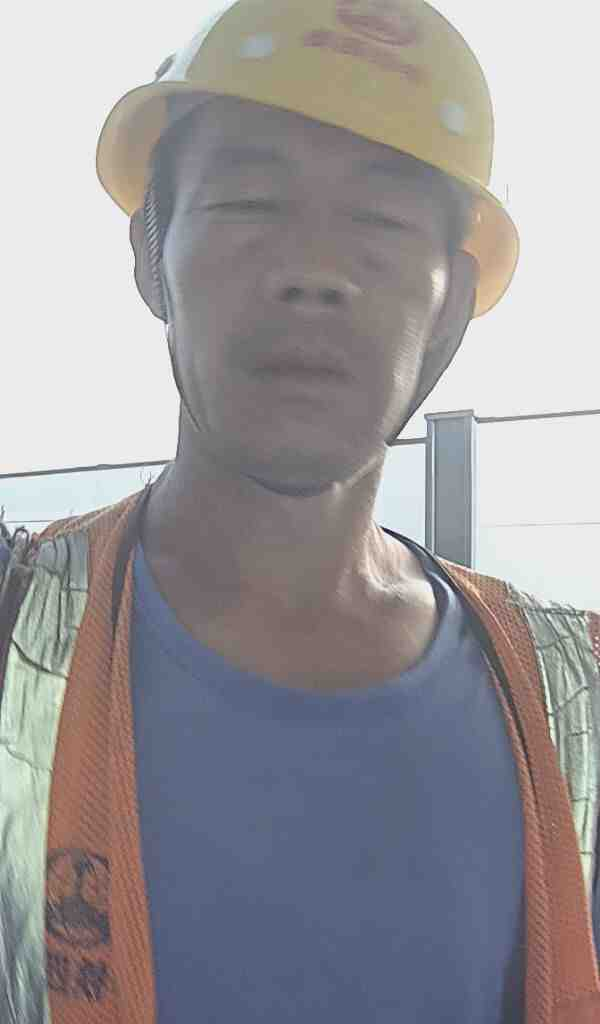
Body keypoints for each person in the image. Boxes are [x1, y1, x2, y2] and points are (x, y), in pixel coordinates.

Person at [1, 2, 599, 1022]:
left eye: (380, 220)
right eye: (249, 201)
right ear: (150, 255)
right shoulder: (16, 627)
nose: (314, 272)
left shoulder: (575, 701)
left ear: (452, 306)